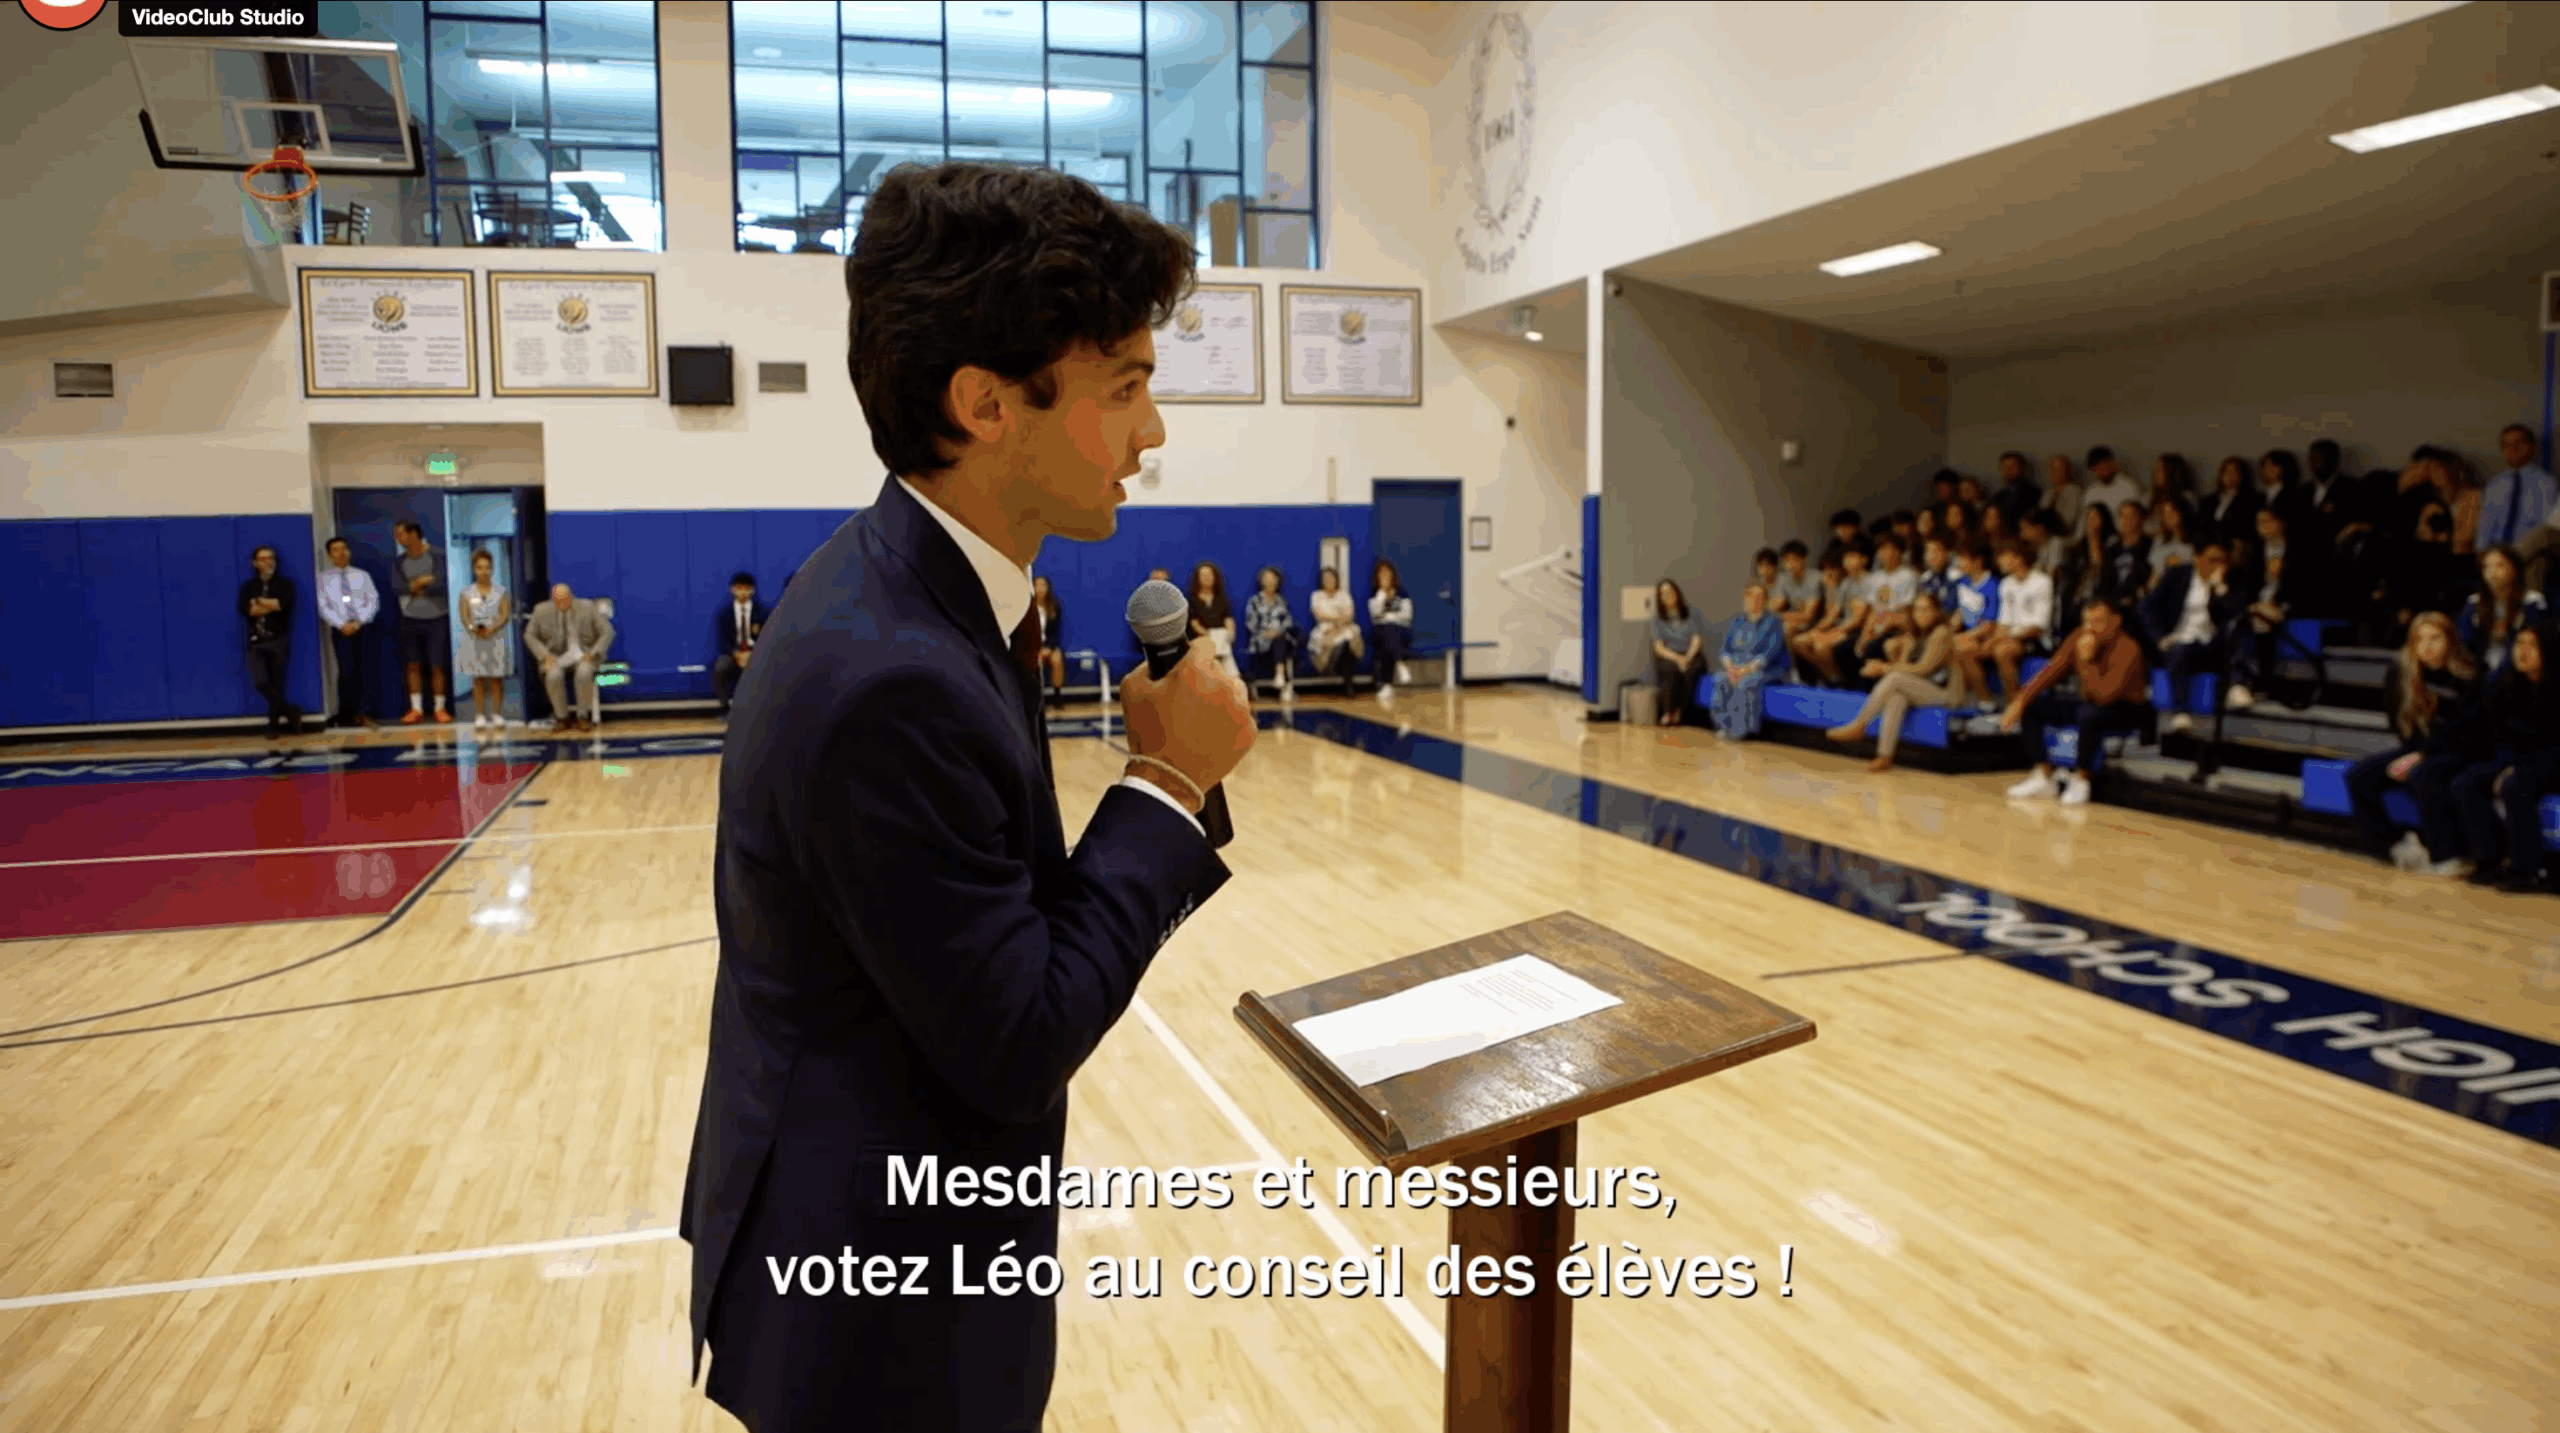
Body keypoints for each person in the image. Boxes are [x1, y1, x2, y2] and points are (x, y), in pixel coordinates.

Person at [680, 160, 1253, 1433]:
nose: (1151, 434)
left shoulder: (918, 588)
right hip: (876, 1306)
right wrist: (1166, 782)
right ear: (986, 402)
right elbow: (1012, 1036)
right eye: (1126, 388)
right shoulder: (890, 672)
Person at [2346, 611, 2481, 874]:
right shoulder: (2401, 674)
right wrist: (2415, 751)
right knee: (2358, 775)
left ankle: (2448, 855)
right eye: (2420, 640)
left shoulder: (2469, 675)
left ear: (2450, 640)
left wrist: (2421, 755)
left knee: (2423, 775)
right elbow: (2398, 723)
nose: (2427, 646)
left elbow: (2468, 731)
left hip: (2463, 750)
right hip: (2420, 748)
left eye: (2435, 638)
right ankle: (2393, 846)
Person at [2000, 593, 2151, 806]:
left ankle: (2082, 779)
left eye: (2098, 622)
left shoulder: (2128, 648)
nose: (2090, 628)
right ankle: (2043, 775)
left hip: (2126, 708)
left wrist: (2087, 659)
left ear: (2116, 621)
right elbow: (2051, 670)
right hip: (2092, 702)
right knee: (2033, 707)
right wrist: (2019, 701)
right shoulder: (2080, 636)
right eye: (2086, 622)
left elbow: (2103, 695)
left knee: (2089, 715)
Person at [2450, 621, 2558, 892]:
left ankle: (2529, 870)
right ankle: (2489, 861)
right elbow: (2500, 736)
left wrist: (2517, 768)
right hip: (2518, 758)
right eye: (2519, 644)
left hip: (2553, 762)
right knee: (2467, 782)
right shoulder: (2506, 684)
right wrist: (2506, 765)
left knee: (2516, 784)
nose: (2523, 651)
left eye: (2532, 645)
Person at [1828, 589, 1962, 772]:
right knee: (1896, 695)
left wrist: (1883, 668)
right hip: (1924, 690)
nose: (1921, 615)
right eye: (1917, 610)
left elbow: (1924, 668)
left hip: (1948, 694)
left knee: (1895, 680)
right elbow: (1903, 667)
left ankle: (1860, 724)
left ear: (1937, 612)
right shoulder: (1913, 635)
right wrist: (1894, 656)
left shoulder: (1941, 633)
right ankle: (1885, 756)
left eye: (1926, 610)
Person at [2143, 540, 2241, 733]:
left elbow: (2232, 617)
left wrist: (2220, 592)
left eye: (2223, 561)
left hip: (2213, 646)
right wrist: (2159, 638)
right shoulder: (2177, 575)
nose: (2218, 566)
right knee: (2180, 650)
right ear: (2197, 558)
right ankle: (2180, 712)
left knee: (2242, 631)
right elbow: (2146, 607)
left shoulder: (2232, 580)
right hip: (2180, 641)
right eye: (2212, 560)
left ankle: (2238, 685)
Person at [1960, 540, 2053, 712]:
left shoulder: (2042, 582)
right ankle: (1986, 702)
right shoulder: (2006, 584)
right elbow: (2003, 622)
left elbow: (2037, 627)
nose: (1999, 561)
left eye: (2004, 557)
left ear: (2019, 558)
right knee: (1967, 650)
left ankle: (2015, 706)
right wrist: (1994, 639)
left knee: (2002, 650)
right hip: (2008, 637)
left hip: (2035, 640)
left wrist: (2001, 639)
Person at [2224, 507, 2302, 711]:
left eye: (2268, 521)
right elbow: (2249, 584)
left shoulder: (2296, 549)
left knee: (2258, 619)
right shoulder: (2256, 553)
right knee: (2244, 617)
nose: (2263, 527)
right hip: (2260, 603)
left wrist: (2277, 579)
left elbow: (2301, 585)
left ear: (2281, 523)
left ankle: (2259, 681)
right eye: (2259, 523)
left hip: (2285, 603)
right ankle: (2244, 679)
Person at [524, 582, 615, 732]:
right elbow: (529, 635)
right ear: (552, 600)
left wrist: (593, 653)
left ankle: (582, 717)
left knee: (584, 673)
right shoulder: (541, 610)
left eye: (565, 600)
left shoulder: (587, 607)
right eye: (557, 601)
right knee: (553, 675)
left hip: (584, 655)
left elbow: (608, 632)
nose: (561, 604)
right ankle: (562, 718)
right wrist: (544, 654)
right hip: (556, 656)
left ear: (572, 597)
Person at [238, 544, 306, 738]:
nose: (268, 562)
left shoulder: (284, 585)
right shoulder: (248, 587)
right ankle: (292, 712)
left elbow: (283, 606)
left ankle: (274, 724)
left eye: (271, 558)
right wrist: (268, 604)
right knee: (260, 681)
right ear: (255, 563)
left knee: (277, 683)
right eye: (263, 559)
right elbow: (247, 610)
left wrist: (258, 602)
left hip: (277, 638)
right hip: (255, 640)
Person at [391, 519, 453, 724]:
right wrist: (423, 581)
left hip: (437, 618)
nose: (397, 539)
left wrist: (417, 586)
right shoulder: (399, 562)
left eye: (400, 534)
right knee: (412, 665)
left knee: (437, 665)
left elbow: (442, 584)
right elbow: (398, 588)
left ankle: (440, 708)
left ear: (414, 535)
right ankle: (415, 708)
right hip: (409, 618)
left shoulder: (438, 556)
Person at [315, 535, 380, 729]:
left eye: (344, 548)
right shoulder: (322, 579)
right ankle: (346, 714)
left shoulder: (362, 575)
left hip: (362, 627)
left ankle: (362, 712)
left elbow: (373, 600)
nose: (341, 553)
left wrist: (360, 622)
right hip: (340, 629)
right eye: (335, 550)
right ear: (329, 554)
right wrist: (340, 624)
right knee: (346, 671)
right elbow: (323, 606)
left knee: (363, 669)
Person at [1708, 581, 1785, 740]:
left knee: (1746, 684)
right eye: (1750, 596)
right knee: (1721, 679)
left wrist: (1746, 669)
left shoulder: (1773, 622)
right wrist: (1730, 667)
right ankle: (1724, 725)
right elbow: (1725, 649)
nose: (1754, 600)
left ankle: (1742, 729)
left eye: (1759, 596)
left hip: (1765, 670)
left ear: (1765, 600)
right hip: (1735, 667)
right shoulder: (1737, 621)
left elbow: (1771, 652)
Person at [1793, 539, 1873, 685]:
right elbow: (1833, 613)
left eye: (1852, 557)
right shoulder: (1846, 582)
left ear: (1865, 559)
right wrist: (1816, 630)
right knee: (1800, 641)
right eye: (1846, 558)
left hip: (1857, 631)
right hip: (1842, 628)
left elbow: (1858, 620)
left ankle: (1839, 680)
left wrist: (1830, 633)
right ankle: (1829, 676)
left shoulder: (1870, 581)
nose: (1848, 562)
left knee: (1821, 645)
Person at [2482, 424, 2556, 582]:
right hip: (2496, 551)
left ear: (2531, 446)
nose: (2512, 449)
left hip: (2529, 553)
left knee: (2538, 562)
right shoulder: (2495, 485)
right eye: (2507, 445)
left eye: (2518, 443)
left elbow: (2545, 529)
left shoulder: (2545, 483)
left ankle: (2510, 564)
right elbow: (2485, 526)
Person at [2458, 546, 2546, 675]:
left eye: (2500, 566)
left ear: (2514, 569)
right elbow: (2464, 641)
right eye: (2487, 567)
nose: (2492, 572)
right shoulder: (2474, 602)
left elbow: (2535, 643)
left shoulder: (2532, 601)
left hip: (2516, 668)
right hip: (2480, 667)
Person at [456, 548, 513, 731]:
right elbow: (464, 615)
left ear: (492, 569)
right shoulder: (466, 592)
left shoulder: (501, 591)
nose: (484, 571)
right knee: (478, 678)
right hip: (474, 640)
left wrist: (492, 628)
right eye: (480, 567)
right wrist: (474, 628)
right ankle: (480, 715)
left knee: (496, 678)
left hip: (496, 638)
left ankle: (497, 714)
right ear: (474, 569)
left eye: (487, 567)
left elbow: (505, 614)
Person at [713, 571, 772, 715]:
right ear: (732, 590)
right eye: (739, 588)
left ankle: (762, 708)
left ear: (752, 590)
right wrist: (737, 654)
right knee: (720, 667)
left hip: (755, 653)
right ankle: (725, 708)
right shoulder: (724, 614)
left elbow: (768, 639)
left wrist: (752, 654)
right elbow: (722, 642)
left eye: (746, 588)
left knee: (769, 665)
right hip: (734, 652)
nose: (742, 592)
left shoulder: (763, 613)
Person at [1649, 578, 1705, 725]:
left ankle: (1680, 711)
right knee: (1668, 669)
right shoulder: (1657, 618)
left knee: (1691, 670)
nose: (1668, 596)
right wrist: (1677, 658)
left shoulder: (1692, 613)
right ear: (1660, 599)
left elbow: (1696, 640)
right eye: (1663, 594)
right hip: (1670, 654)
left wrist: (1687, 657)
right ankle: (1668, 711)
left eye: (1670, 592)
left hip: (1689, 653)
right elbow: (1659, 647)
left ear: (1677, 593)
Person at [1242, 565, 1299, 697]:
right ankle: (1280, 676)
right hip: (1261, 640)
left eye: (1273, 579)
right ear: (1261, 581)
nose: (1270, 582)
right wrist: (1266, 633)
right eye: (1267, 579)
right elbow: (1250, 624)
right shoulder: (1254, 601)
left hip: (1280, 637)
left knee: (1282, 640)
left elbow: (1287, 621)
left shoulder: (1280, 600)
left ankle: (1280, 676)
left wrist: (1278, 631)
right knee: (1280, 641)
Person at [1306, 565, 1364, 688]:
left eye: (1331, 578)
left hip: (1344, 627)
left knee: (1349, 638)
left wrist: (1337, 622)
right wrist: (1337, 618)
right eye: (1325, 578)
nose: (1329, 581)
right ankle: (1335, 672)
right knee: (1333, 641)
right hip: (1325, 629)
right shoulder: (1316, 596)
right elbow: (1319, 615)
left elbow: (1349, 615)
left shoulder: (1344, 595)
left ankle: (1346, 681)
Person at [1369, 557, 1415, 695]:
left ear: (1393, 575)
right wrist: (1382, 594)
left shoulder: (1402, 593)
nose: (1385, 577)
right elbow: (1375, 614)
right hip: (1381, 632)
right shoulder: (1374, 595)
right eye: (1381, 574)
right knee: (1387, 634)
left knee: (1389, 638)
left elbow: (1407, 615)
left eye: (1387, 573)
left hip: (1401, 631)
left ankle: (1387, 685)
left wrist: (1389, 617)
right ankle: (1400, 665)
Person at [2204, 455, 2263, 558]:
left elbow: (2247, 527)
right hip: (2211, 548)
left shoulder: (2252, 500)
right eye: (2226, 471)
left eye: (2234, 471)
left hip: (2237, 550)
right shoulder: (2209, 501)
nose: (2229, 475)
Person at [1188, 560, 1239, 678]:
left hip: (1221, 638)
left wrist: (1231, 632)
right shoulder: (1192, 600)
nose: (1207, 578)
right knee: (1219, 639)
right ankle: (1230, 676)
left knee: (1222, 635)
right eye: (1203, 575)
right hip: (1200, 638)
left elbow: (1228, 620)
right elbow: (1194, 624)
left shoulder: (1221, 600)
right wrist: (1210, 636)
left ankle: (1219, 670)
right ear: (1197, 578)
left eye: (1209, 575)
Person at [2080, 446, 2144, 526]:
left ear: (2112, 462)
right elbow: (2084, 523)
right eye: (2095, 468)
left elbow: (2135, 520)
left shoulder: (2128, 486)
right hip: (2098, 536)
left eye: (2102, 466)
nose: (2100, 471)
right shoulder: (2090, 492)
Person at [1771, 539, 1823, 637]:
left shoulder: (1814, 577)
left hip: (1814, 623)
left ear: (1804, 559)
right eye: (1786, 560)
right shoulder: (1784, 578)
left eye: (1794, 559)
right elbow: (1776, 603)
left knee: (1786, 628)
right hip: (1792, 618)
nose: (1790, 564)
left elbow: (1808, 615)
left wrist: (1780, 616)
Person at [1028, 573, 1067, 703]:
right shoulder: (1028, 608)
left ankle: (1057, 695)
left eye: (1043, 586)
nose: (1040, 589)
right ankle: (1035, 697)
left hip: (1049, 645)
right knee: (1037, 658)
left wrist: (1049, 648)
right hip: (1033, 647)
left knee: (1057, 658)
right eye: (1037, 586)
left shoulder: (1054, 608)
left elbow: (1054, 633)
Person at [1990, 450, 2040, 530]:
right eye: (2005, 468)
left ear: (2022, 468)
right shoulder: (1999, 496)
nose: (2008, 471)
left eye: (2012, 467)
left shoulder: (2033, 493)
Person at [2044, 453, 2084, 534]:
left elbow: (2069, 521)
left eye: (2057, 469)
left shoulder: (2074, 491)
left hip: (2065, 535)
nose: (2053, 472)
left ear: (2067, 471)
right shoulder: (2048, 493)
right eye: (2051, 469)